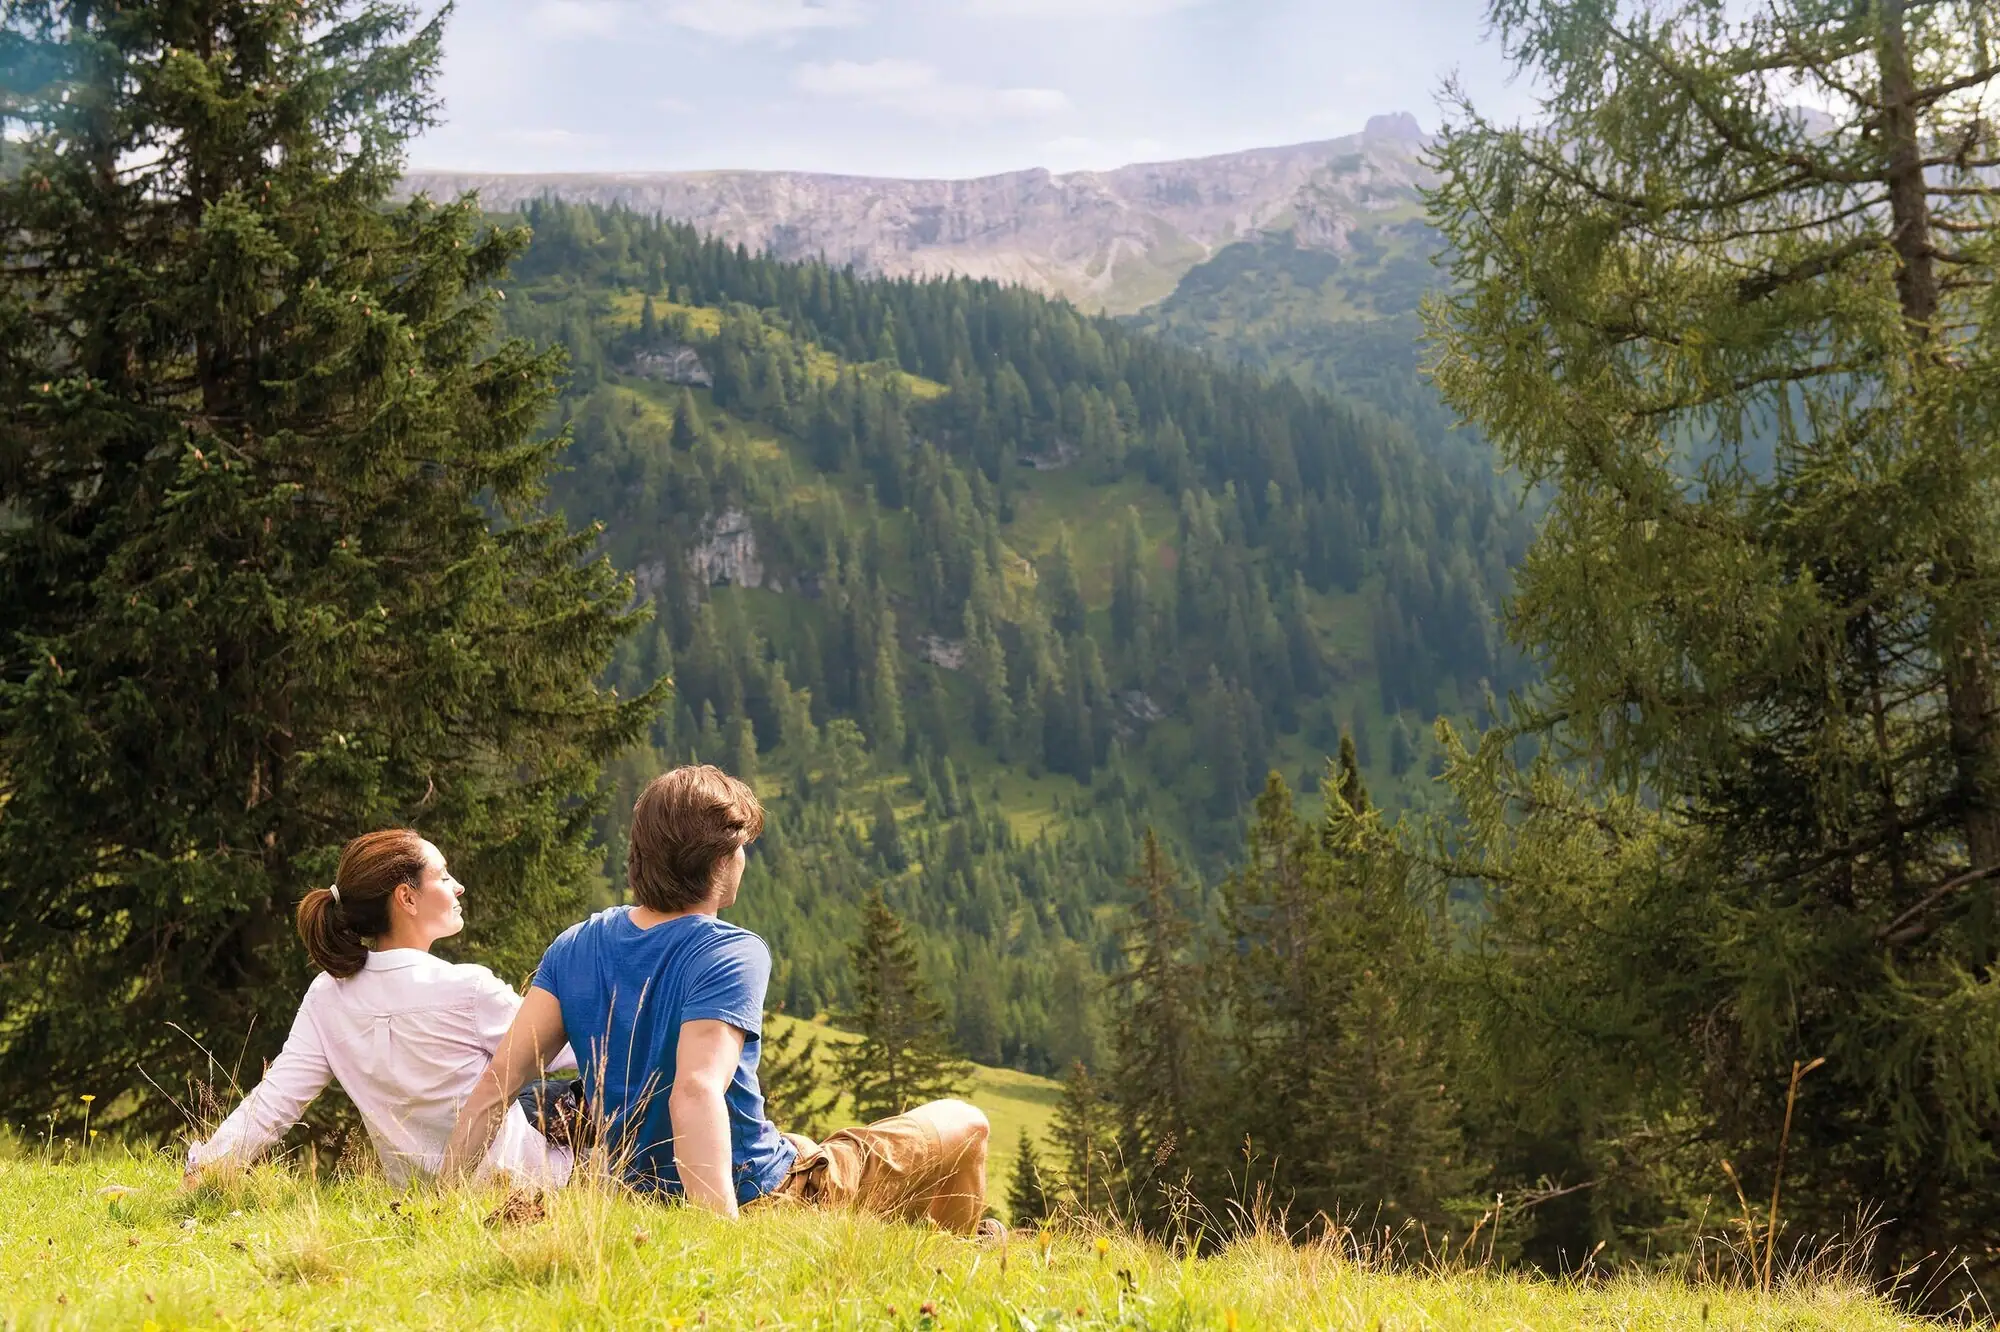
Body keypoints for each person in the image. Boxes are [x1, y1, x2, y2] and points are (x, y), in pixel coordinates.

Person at [444, 764, 995, 1233]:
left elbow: (496, 1086)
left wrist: (439, 1205)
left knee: (803, 1142)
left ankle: (911, 1246)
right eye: (741, 849)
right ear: (720, 860)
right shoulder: (730, 952)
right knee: (964, 1122)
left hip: (640, 1197)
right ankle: (954, 1255)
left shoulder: (576, 943)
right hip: (760, 1199)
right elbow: (695, 1090)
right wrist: (721, 1245)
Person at [186, 830, 575, 1186]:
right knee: (575, 1093)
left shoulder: (329, 995)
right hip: (527, 1186)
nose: (458, 887)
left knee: (537, 1094)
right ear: (406, 898)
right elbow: (579, 1050)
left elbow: (276, 1101)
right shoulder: (468, 988)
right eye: (442, 877)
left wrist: (206, 1169)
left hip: (415, 1197)